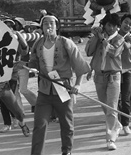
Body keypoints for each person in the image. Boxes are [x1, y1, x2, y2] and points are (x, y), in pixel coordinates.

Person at [28, 12, 90, 155]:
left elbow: (79, 65)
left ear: (56, 26)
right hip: (44, 90)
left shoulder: (65, 42)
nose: (48, 26)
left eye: (51, 23)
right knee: (40, 124)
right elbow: (33, 62)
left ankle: (66, 151)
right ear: (41, 27)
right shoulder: (37, 44)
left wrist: (78, 85)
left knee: (67, 124)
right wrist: (30, 67)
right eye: (45, 23)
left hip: (63, 88)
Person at [0, 23, 30, 149]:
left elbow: (24, 51)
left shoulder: (10, 49)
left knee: (18, 111)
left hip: (5, 86)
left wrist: (18, 65)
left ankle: (22, 124)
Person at [85, 13, 124, 151]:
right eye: (108, 25)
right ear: (104, 25)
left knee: (112, 107)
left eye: (114, 25)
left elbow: (114, 52)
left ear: (117, 27)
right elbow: (89, 51)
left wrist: (103, 40)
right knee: (105, 107)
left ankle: (111, 138)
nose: (111, 28)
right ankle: (116, 124)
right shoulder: (98, 36)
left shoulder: (119, 39)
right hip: (99, 76)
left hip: (113, 76)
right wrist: (96, 38)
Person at [117, 14, 131, 136]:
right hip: (113, 70)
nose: (127, 25)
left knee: (125, 98)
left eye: (130, 24)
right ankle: (117, 123)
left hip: (127, 71)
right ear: (121, 22)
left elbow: (126, 46)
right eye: (126, 22)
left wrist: (118, 36)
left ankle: (125, 124)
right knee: (114, 99)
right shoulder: (112, 33)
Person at [14, 17, 38, 113]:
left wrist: (18, 35)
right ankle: (19, 112)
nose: (14, 25)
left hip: (23, 65)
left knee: (23, 89)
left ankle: (37, 103)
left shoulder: (25, 34)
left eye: (16, 23)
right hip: (11, 67)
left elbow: (25, 49)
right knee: (15, 92)